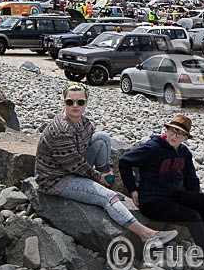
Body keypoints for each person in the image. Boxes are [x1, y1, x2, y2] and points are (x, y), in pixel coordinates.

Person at [35, 83, 177, 245]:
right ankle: (146, 235)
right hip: (56, 179)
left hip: (70, 167)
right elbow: (74, 166)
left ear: (86, 103)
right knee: (107, 197)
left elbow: (90, 143)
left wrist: (106, 170)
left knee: (102, 138)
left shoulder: (83, 122)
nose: (75, 106)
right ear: (64, 102)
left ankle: (105, 183)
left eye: (80, 102)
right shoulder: (61, 130)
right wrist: (98, 178)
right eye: (70, 102)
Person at [119, 115, 204, 270]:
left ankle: (203, 244)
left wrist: (195, 199)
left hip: (172, 196)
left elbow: (191, 179)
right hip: (151, 200)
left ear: (186, 138)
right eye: (172, 131)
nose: (174, 136)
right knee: (191, 216)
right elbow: (124, 161)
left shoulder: (184, 153)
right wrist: (133, 190)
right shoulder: (153, 148)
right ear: (166, 130)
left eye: (180, 134)